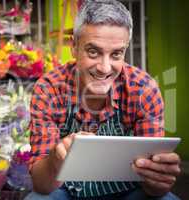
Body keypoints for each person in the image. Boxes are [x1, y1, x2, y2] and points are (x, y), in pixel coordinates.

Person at [24, 0, 181, 200]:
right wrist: (56, 159)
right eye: (93, 52)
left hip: (128, 192)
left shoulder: (144, 90)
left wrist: (159, 181)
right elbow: (41, 186)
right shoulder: (49, 89)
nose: (105, 68)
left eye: (116, 54)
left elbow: (153, 189)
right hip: (65, 191)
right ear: (74, 47)